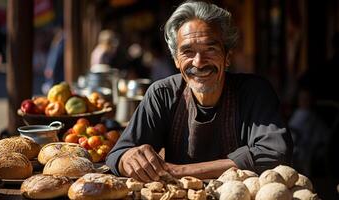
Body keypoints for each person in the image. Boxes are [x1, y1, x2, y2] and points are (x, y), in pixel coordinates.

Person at [106, 0, 293, 182]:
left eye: (210, 49)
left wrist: (180, 171)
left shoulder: (254, 92)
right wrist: (128, 158)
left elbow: (275, 153)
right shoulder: (162, 94)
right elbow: (117, 154)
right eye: (187, 51)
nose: (198, 62)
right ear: (176, 60)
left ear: (227, 57)